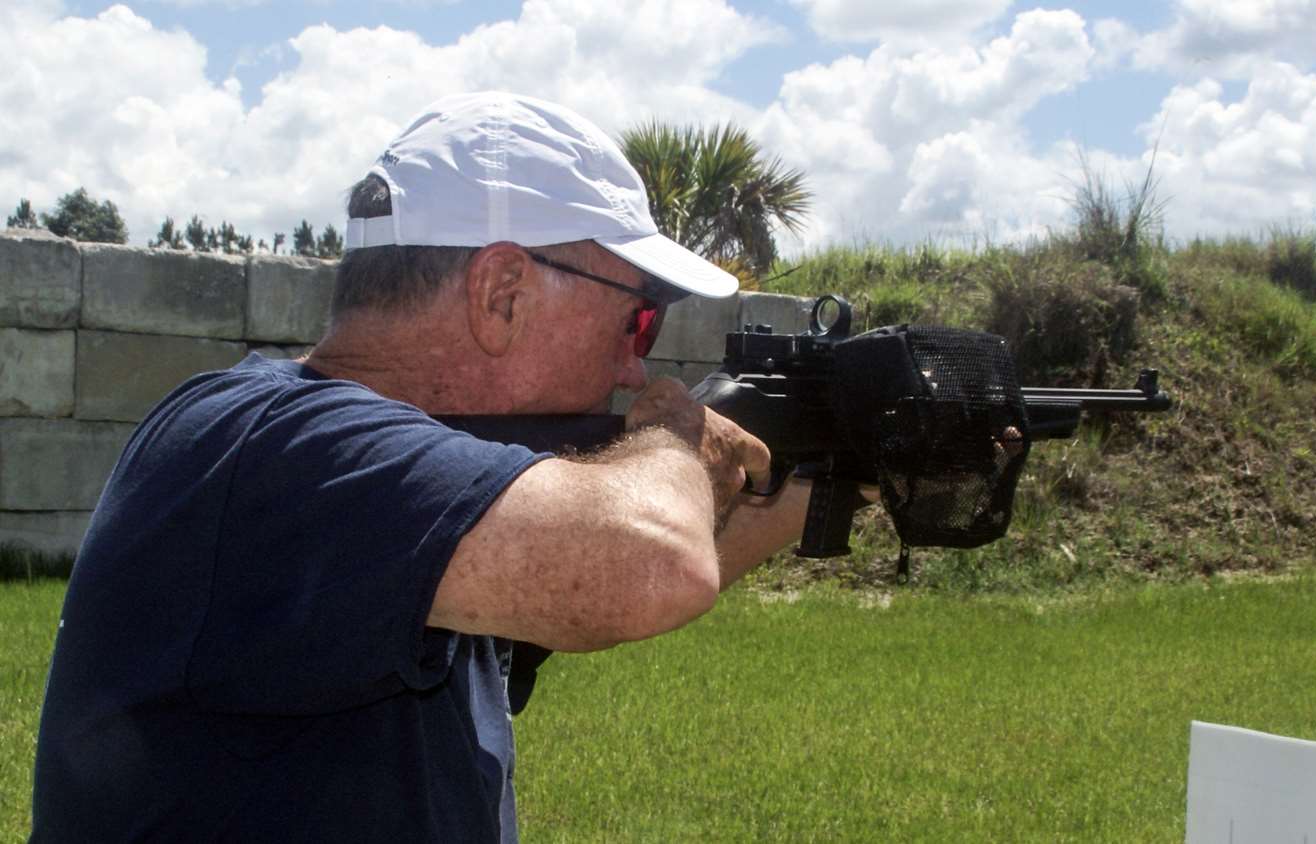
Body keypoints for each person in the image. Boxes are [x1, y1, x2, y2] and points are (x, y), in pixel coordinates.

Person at [31, 92, 812, 842]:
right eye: (638, 319)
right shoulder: (273, 447)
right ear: (501, 294)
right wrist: (676, 436)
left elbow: (571, 589)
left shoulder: (406, 489)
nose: (634, 367)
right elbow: (648, 569)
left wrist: (826, 481)